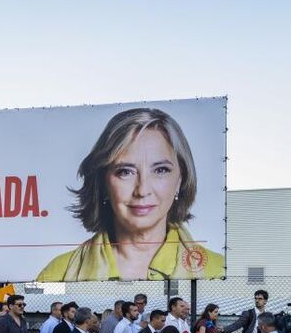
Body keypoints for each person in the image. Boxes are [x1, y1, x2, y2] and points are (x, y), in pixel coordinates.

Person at [36, 107, 224, 281]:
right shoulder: (57, 273)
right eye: (125, 172)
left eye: (160, 170)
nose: (142, 190)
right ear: (103, 182)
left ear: (180, 180)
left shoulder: (217, 270)